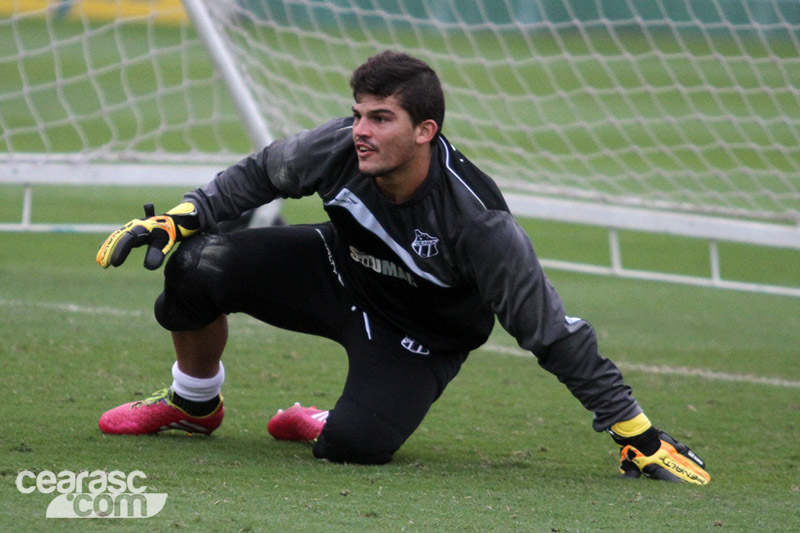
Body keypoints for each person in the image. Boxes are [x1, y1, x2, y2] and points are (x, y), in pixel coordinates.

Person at [95, 50, 709, 484]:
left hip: (420, 333)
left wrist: (634, 431)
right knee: (199, 263)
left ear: (425, 131)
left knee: (353, 449)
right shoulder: (340, 144)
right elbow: (258, 176)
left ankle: (328, 420)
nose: (360, 131)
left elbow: (548, 330)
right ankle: (193, 404)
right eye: (358, 113)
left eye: (380, 118)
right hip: (340, 272)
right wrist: (179, 218)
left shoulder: (478, 222)